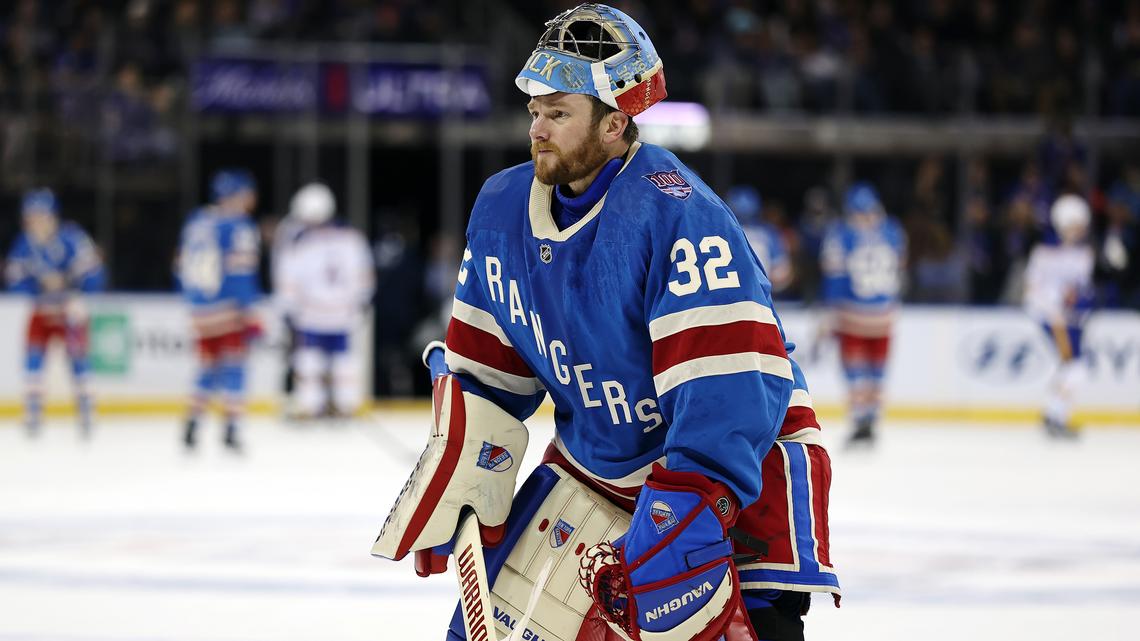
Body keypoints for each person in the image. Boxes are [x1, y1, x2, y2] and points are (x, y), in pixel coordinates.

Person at [372, 5, 839, 641]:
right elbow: (487, 373)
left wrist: (685, 517)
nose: (537, 128)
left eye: (558, 113)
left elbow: (729, 390)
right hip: (598, 463)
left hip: (734, 470)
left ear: (615, 123)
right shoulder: (502, 208)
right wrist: (465, 465)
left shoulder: (678, 214)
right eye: (535, 110)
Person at [4, 189, 104, 437]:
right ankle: (33, 412)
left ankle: (86, 410)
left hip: (69, 312)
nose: (35, 223)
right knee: (33, 361)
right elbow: (13, 279)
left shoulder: (72, 238)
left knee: (78, 360)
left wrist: (73, 290)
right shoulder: (24, 244)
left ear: (52, 217)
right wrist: (38, 286)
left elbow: (94, 273)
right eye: (30, 218)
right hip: (42, 310)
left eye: (40, 217)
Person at [176, 169, 262, 452]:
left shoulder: (196, 221)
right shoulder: (239, 225)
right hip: (228, 310)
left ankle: (192, 422)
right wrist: (248, 309)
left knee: (206, 367)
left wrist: (193, 302)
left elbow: (180, 265)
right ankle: (232, 428)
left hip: (200, 309)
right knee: (235, 367)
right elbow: (240, 269)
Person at [275, 182, 374, 418]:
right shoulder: (352, 238)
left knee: (309, 360)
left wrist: (287, 307)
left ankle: (310, 406)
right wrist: (361, 301)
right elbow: (364, 275)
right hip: (343, 311)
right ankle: (345, 405)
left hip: (311, 312)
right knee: (343, 359)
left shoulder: (298, 241)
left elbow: (288, 278)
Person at [819, 182, 906, 446]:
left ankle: (860, 419)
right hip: (884, 313)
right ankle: (872, 418)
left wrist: (828, 311)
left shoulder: (841, 234)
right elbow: (900, 267)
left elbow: (834, 275)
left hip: (853, 314)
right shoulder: (892, 230)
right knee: (877, 370)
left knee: (855, 370)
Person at [1023, 194, 1094, 439]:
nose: (1079, 230)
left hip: (1070, 317)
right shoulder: (1045, 253)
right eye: (1075, 224)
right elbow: (1032, 290)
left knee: (1073, 368)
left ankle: (1054, 415)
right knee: (1074, 368)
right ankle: (1055, 415)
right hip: (1052, 316)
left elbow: (1080, 289)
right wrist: (1053, 313)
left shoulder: (1082, 254)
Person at [727, 185, 793, 294]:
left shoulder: (721, 231)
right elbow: (782, 273)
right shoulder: (768, 232)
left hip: (730, 294)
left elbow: (782, 272)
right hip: (760, 293)